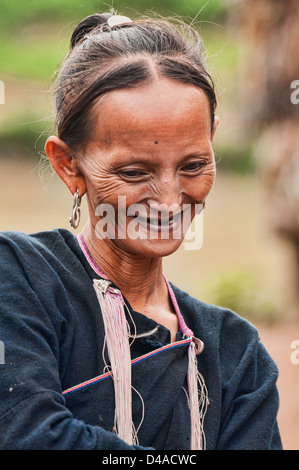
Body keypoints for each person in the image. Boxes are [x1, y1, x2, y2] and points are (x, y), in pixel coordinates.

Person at [0, 12, 282, 450]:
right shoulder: (18, 279)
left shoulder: (235, 353)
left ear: (213, 141)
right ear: (67, 164)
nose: (169, 200)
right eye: (134, 172)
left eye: (193, 165)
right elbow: (27, 435)